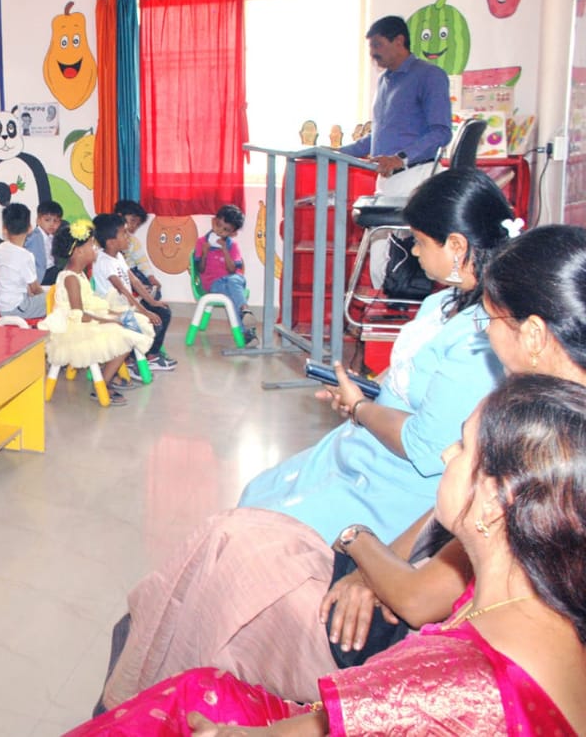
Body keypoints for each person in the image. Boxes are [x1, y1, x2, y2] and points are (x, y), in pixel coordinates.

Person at [98, 222, 586, 710]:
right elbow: (440, 532)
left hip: (395, 637)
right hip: (396, 580)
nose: (483, 331)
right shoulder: (540, 421)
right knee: (223, 544)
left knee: (215, 575)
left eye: (491, 320)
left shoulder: (538, 445)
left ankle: (145, 703)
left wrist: (358, 543)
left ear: (534, 334)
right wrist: (372, 566)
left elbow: (420, 595)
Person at [75, 375, 586, 736]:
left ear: (496, 500)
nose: (446, 454)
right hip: (360, 680)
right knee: (234, 543)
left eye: (463, 448)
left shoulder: (454, 682)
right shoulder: (533, 589)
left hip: (364, 671)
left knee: (187, 686)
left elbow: (374, 705)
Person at [239, 170, 512, 543]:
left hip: (398, 484)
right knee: (256, 495)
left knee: (260, 533)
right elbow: (406, 372)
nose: (414, 252)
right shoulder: (442, 302)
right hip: (367, 449)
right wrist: (363, 389)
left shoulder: (481, 342)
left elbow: (423, 447)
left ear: (456, 245)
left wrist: (361, 408)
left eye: (419, 241)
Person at [340, 15, 452, 287]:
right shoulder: (385, 81)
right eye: (370, 48)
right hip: (388, 178)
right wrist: (336, 151)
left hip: (416, 175)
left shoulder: (429, 76)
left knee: (404, 257)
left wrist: (400, 159)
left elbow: (441, 132)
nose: (373, 54)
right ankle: (385, 306)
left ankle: (399, 305)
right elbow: (377, 137)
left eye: (378, 45)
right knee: (380, 254)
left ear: (399, 41)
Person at [38, 220, 152, 406]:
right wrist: (111, 320)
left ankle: (109, 376)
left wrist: (113, 314)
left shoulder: (80, 274)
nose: (96, 249)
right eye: (91, 245)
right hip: (74, 328)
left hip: (86, 319)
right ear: (78, 251)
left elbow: (90, 305)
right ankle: (103, 384)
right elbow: (79, 315)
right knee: (125, 335)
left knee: (132, 322)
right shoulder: (71, 279)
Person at [93, 213, 171, 371]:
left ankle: (150, 355)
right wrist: (144, 312)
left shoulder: (118, 256)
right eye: (124, 233)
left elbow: (134, 281)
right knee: (150, 324)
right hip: (113, 309)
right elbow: (123, 291)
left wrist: (153, 302)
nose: (128, 237)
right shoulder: (104, 261)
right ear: (111, 242)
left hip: (126, 305)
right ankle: (132, 361)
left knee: (163, 312)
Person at [113, 199, 174, 363]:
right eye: (132, 221)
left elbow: (142, 262)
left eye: (137, 224)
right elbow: (119, 280)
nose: (133, 227)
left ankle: (151, 352)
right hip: (123, 284)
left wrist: (151, 279)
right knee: (153, 310)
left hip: (133, 274)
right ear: (120, 216)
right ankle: (136, 355)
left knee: (158, 301)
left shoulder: (133, 242)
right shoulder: (107, 252)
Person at [193, 204, 256, 345]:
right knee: (232, 297)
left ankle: (245, 315)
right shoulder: (201, 242)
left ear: (233, 233)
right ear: (213, 221)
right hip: (214, 284)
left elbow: (233, 270)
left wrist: (225, 250)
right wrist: (204, 253)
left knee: (233, 281)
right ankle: (246, 322)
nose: (220, 231)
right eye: (218, 225)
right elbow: (200, 270)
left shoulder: (232, 246)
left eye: (226, 230)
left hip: (234, 281)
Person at [0, 203, 46, 319]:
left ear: (4, 229)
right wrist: (45, 297)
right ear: (30, 228)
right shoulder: (25, 256)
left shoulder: (2, 247)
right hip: (18, 308)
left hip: (2, 307)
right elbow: (35, 289)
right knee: (58, 298)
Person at [24, 200, 62, 285]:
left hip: (51, 270)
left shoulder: (53, 236)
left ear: (60, 222)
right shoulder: (33, 236)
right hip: (40, 275)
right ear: (38, 220)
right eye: (47, 220)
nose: (52, 224)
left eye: (55, 221)